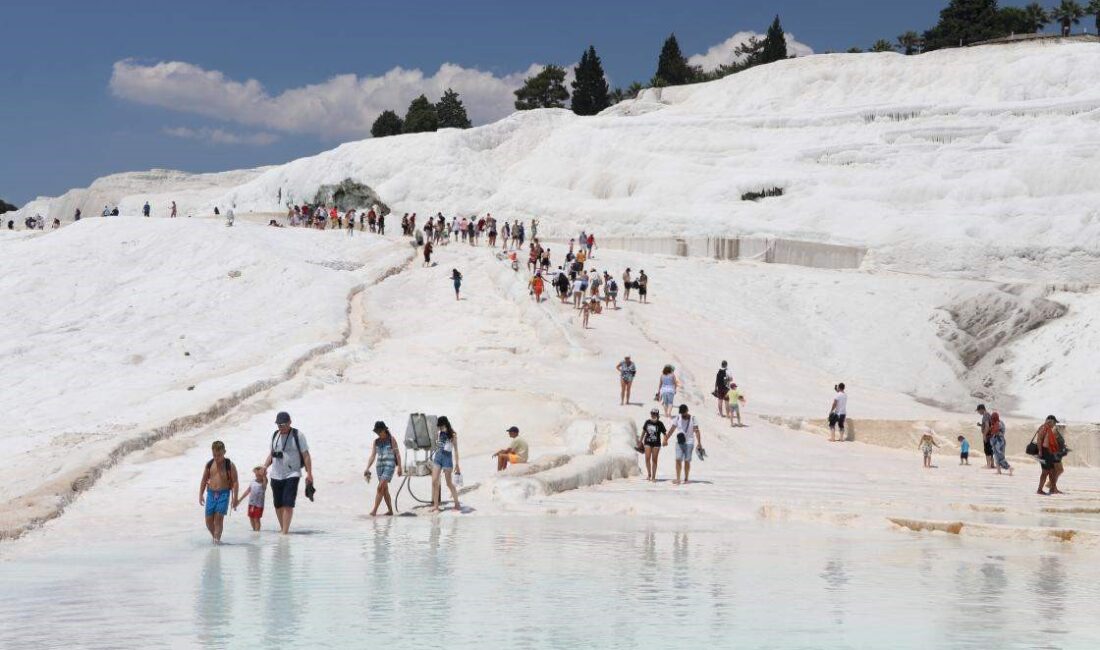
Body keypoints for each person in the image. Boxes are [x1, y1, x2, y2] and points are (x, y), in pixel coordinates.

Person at [264, 411, 313, 534]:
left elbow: (306, 455)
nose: (281, 427)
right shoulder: (275, 435)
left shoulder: (298, 435)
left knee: (288, 503)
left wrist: (309, 473)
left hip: (292, 473)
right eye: (279, 425)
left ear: (290, 422)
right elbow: (272, 454)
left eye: (283, 425)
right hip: (276, 474)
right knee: (278, 504)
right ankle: (283, 528)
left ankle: (285, 531)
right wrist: (264, 466)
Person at [199, 441, 239, 544]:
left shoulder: (229, 465)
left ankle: (216, 540)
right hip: (211, 494)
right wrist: (200, 494)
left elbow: (235, 482)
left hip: (224, 494)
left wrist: (235, 499)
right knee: (208, 521)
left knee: (218, 519)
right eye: (214, 455)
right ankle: (215, 537)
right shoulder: (209, 464)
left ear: (224, 452)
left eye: (219, 455)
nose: (217, 458)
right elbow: (204, 480)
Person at [364, 421, 403, 516]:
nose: (378, 433)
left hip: (389, 465)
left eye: (379, 431)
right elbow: (373, 455)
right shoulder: (376, 442)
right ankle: (390, 511)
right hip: (380, 466)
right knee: (384, 490)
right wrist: (367, 468)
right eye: (376, 432)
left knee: (380, 487)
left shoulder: (391, 439)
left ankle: (374, 511)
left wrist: (400, 467)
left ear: (384, 430)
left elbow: (397, 454)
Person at [665, 404, 702, 485]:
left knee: (687, 460)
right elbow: (672, 429)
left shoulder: (693, 418)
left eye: (684, 413)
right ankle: (678, 478)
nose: (682, 415)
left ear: (687, 411)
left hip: (689, 442)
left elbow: (697, 431)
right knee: (678, 459)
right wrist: (666, 438)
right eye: (681, 413)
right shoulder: (678, 417)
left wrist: (699, 443)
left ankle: (686, 478)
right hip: (680, 442)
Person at [431, 416, 462, 512]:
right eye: (439, 426)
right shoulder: (439, 433)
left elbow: (456, 450)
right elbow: (437, 445)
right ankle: (436, 506)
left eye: (441, 426)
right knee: (434, 481)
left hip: (447, 459)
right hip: (438, 457)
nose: (440, 428)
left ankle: (457, 504)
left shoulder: (453, 434)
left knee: (448, 483)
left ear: (446, 424)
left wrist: (457, 464)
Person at [1035, 415, 1064, 495]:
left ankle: (1053, 489)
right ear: (1050, 421)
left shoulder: (1049, 429)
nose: (1054, 424)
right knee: (1045, 472)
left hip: (1049, 452)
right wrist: (1040, 451)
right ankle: (1039, 490)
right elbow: (1039, 440)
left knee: (1052, 471)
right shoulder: (1044, 428)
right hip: (1044, 452)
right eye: (1054, 422)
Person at [233, 466, 267, 531]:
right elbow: (247, 491)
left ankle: (257, 532)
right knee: (251, 517)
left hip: (259, 505)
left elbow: (264, 486)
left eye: (259, 475)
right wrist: (239, 500)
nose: (257, 476)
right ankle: (254, 530)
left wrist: (264, 476)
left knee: (257, 519)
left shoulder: (263, 483)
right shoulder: (253, 482)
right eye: (256, 475)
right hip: (251, 504)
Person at [638, 409, 666, 482]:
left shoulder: (660, 424)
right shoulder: (647, 422)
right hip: (647, 442)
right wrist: (640, 441)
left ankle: (653, 477)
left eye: (654, 414)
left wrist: (665, 440)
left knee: (654, 460)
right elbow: (644, 431)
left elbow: (665, 433)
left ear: (657, 415)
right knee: (647, 458)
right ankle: (649, 474)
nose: (653, 415)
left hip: (656, 443)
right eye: (652, 413)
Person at [988, 410, 1013, 475]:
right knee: (996, 456)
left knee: (1000, 457)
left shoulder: (998, 423)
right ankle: (999, 471)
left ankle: (1009, 468)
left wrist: (991, 429)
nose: (991, 419)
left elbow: (995, 431)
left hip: (998, 442)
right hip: (999, 441)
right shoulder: (999, 422)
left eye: (992, 418)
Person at [976, 404, 994, 469]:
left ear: (981, 409)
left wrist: (984, 435)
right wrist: (980, 425)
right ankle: (992, 464)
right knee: (990, 450)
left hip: (988, 436)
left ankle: (988, 465)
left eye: (978, 411)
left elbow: (987, 426)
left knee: (987, 450)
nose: (978, 412)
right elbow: (987, 425)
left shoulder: (985, 415)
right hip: (991, 435)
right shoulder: (988, 415)